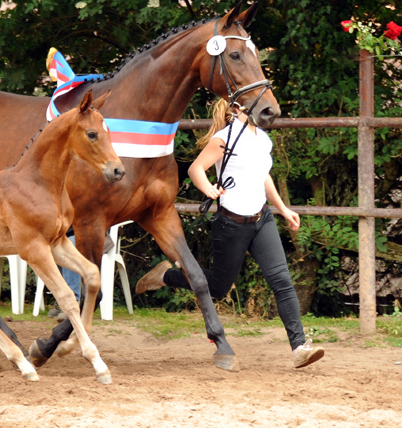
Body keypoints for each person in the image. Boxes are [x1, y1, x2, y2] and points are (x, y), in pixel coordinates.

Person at [136, 98, 325, 369]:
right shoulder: (223, 139)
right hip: (231, 225)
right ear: (237, 109)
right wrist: (208, 189)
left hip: (262, 220)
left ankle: (299, 347)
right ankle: (166, 276)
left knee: (281, 280)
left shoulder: (263, 139)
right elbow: (195, 169)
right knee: (218, 288)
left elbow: (263, 176)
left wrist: (283, 209)